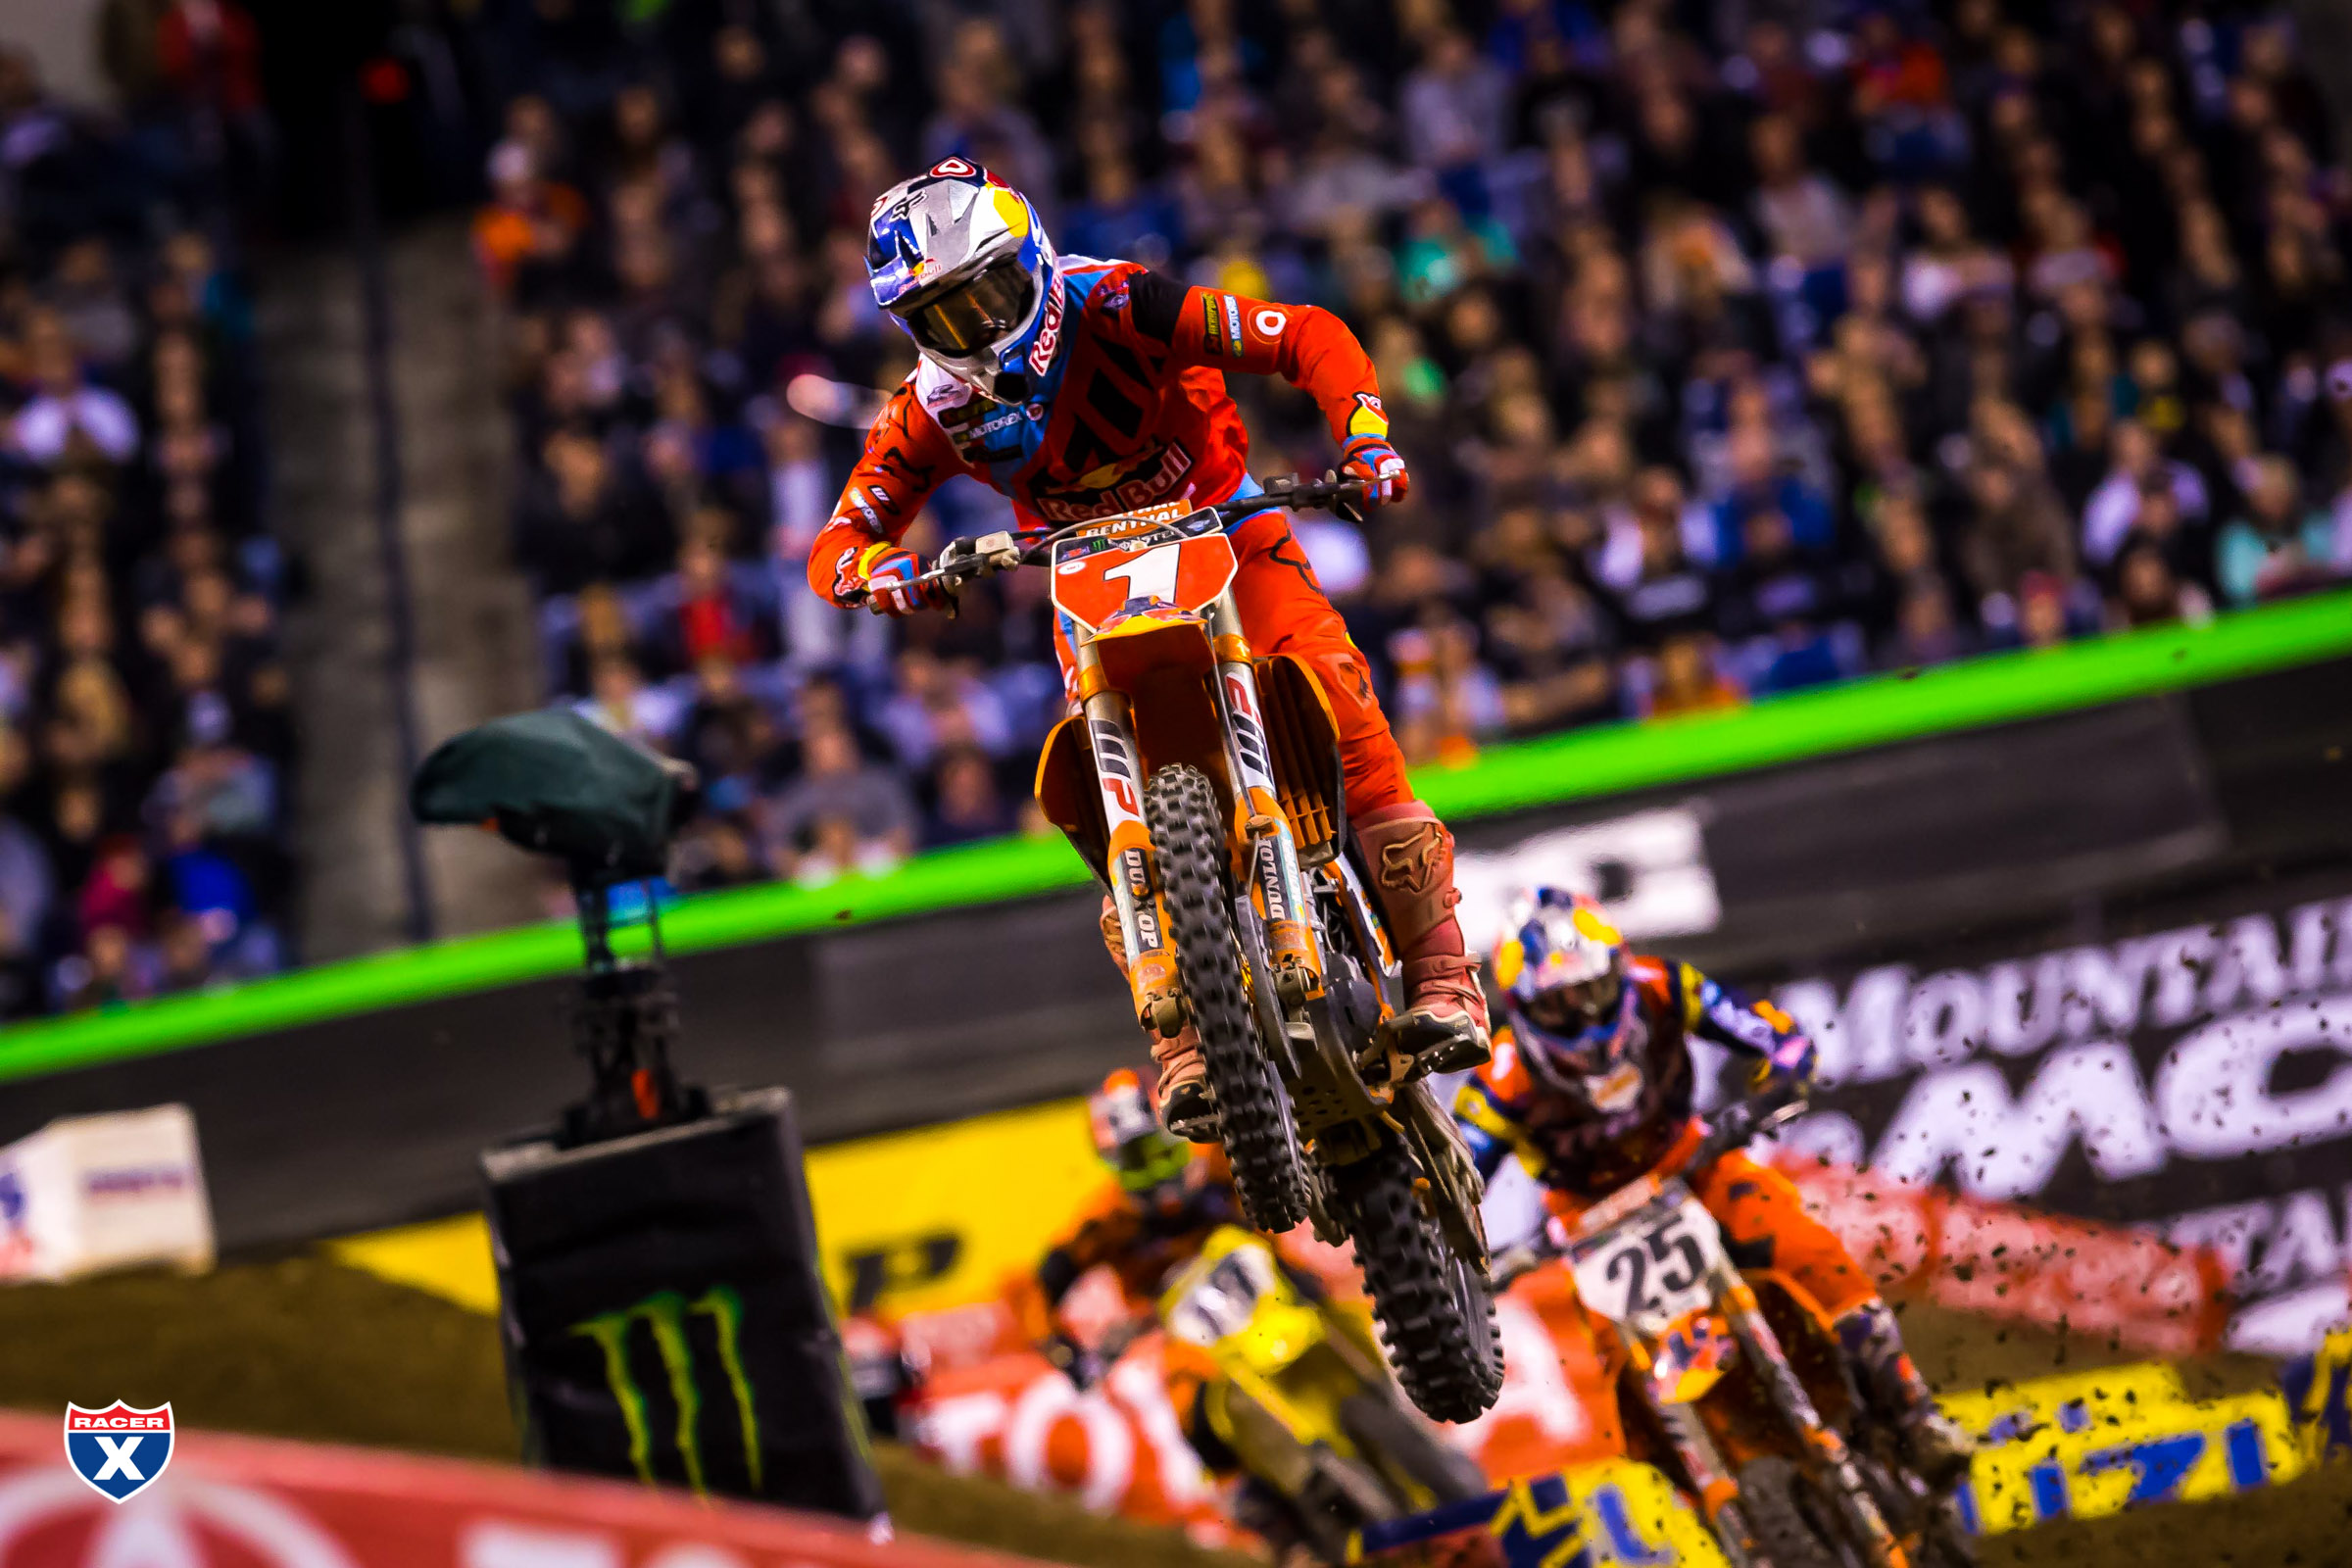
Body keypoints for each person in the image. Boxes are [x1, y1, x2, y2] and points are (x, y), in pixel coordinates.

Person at [809, 161, 1489, 1132]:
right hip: (1091, 583)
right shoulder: (934, 403)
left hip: (1228, 531)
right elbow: (842, 537)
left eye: (986, 295)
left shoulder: (1123, 301)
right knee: (1095, 789)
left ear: (1030, 258)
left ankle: (1443, 976)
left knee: (1343, 710)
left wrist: (1365, 433)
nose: (975, 329)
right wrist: (880, 573)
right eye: (943, 318)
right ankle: (1181, 1037)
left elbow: (1305, 334)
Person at [1452, 888, 1974, 1486]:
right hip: (1590, 1223)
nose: (1584, 1018)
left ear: (1619, 970)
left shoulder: (1665, 987)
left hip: (1694, 1165)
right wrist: (1463, 1256)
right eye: (1559, 1006)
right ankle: (1717, 1504)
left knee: (1812, 1255)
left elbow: (1775, 1037)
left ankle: (1914, 1415)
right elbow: (1454, 1174)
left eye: (1592, 992)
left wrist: (1776, 1084)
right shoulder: (1502, 1076)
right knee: (1626, 1388)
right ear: (1523, 1009)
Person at [1011, 1068, 1245, 1381]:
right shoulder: (1106, 1220)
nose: (1159, 1178)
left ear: (1183, 1137)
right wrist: (1062, 1350)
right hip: (1180, 1343)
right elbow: (1038, 1286)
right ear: (1114, 1165)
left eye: (1163, 1153)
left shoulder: (1224, 1162)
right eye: (1138, 1163)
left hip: (1269, 1292)